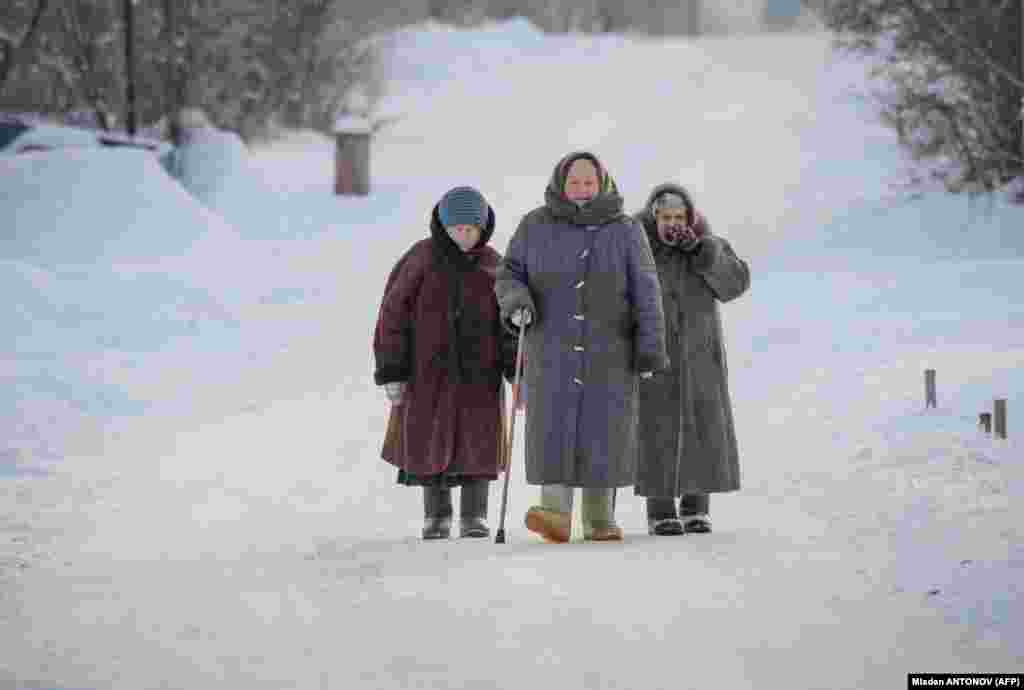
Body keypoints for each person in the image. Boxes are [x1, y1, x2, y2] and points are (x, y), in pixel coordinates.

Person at [495, 152, 668, 543]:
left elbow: (647, 291)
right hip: (551, 348)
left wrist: (650, 347)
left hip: (612, 350)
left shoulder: (626, 230)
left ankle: (599, 518)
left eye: (589, 183)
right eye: (575, 183)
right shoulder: (534, 225)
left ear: (603, 183)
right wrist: (517, 301)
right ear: (561, 183)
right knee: (553, 429)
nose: (582, 191)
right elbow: (509, 273)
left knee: (604, 432)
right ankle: (554, 513)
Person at [373, 187, 518, 540]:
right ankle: (436, 515)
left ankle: (474, 516)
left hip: (479, 376)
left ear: (483, 229)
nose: (464, 237)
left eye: (472, 230)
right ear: (443, 225)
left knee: (478, 443)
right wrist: (393, 368)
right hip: (427, 374)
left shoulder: (493, 265)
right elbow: (392, 314)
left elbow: (508, 326)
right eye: (457, 230)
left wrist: (516, 369)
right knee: (430, 442)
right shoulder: (420, 259)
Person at [633, 183, 750, 536]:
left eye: (678, 217)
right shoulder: (639, 249)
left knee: (703, 426)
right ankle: (660, 509)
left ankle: (697, 507)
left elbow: (735, 284)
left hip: (701, 356)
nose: (672, 224)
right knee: (656, 429)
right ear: (654, 219)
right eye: (665, 217)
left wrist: (702, 253)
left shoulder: (708, 245)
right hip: (656, 355)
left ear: (690, 217)